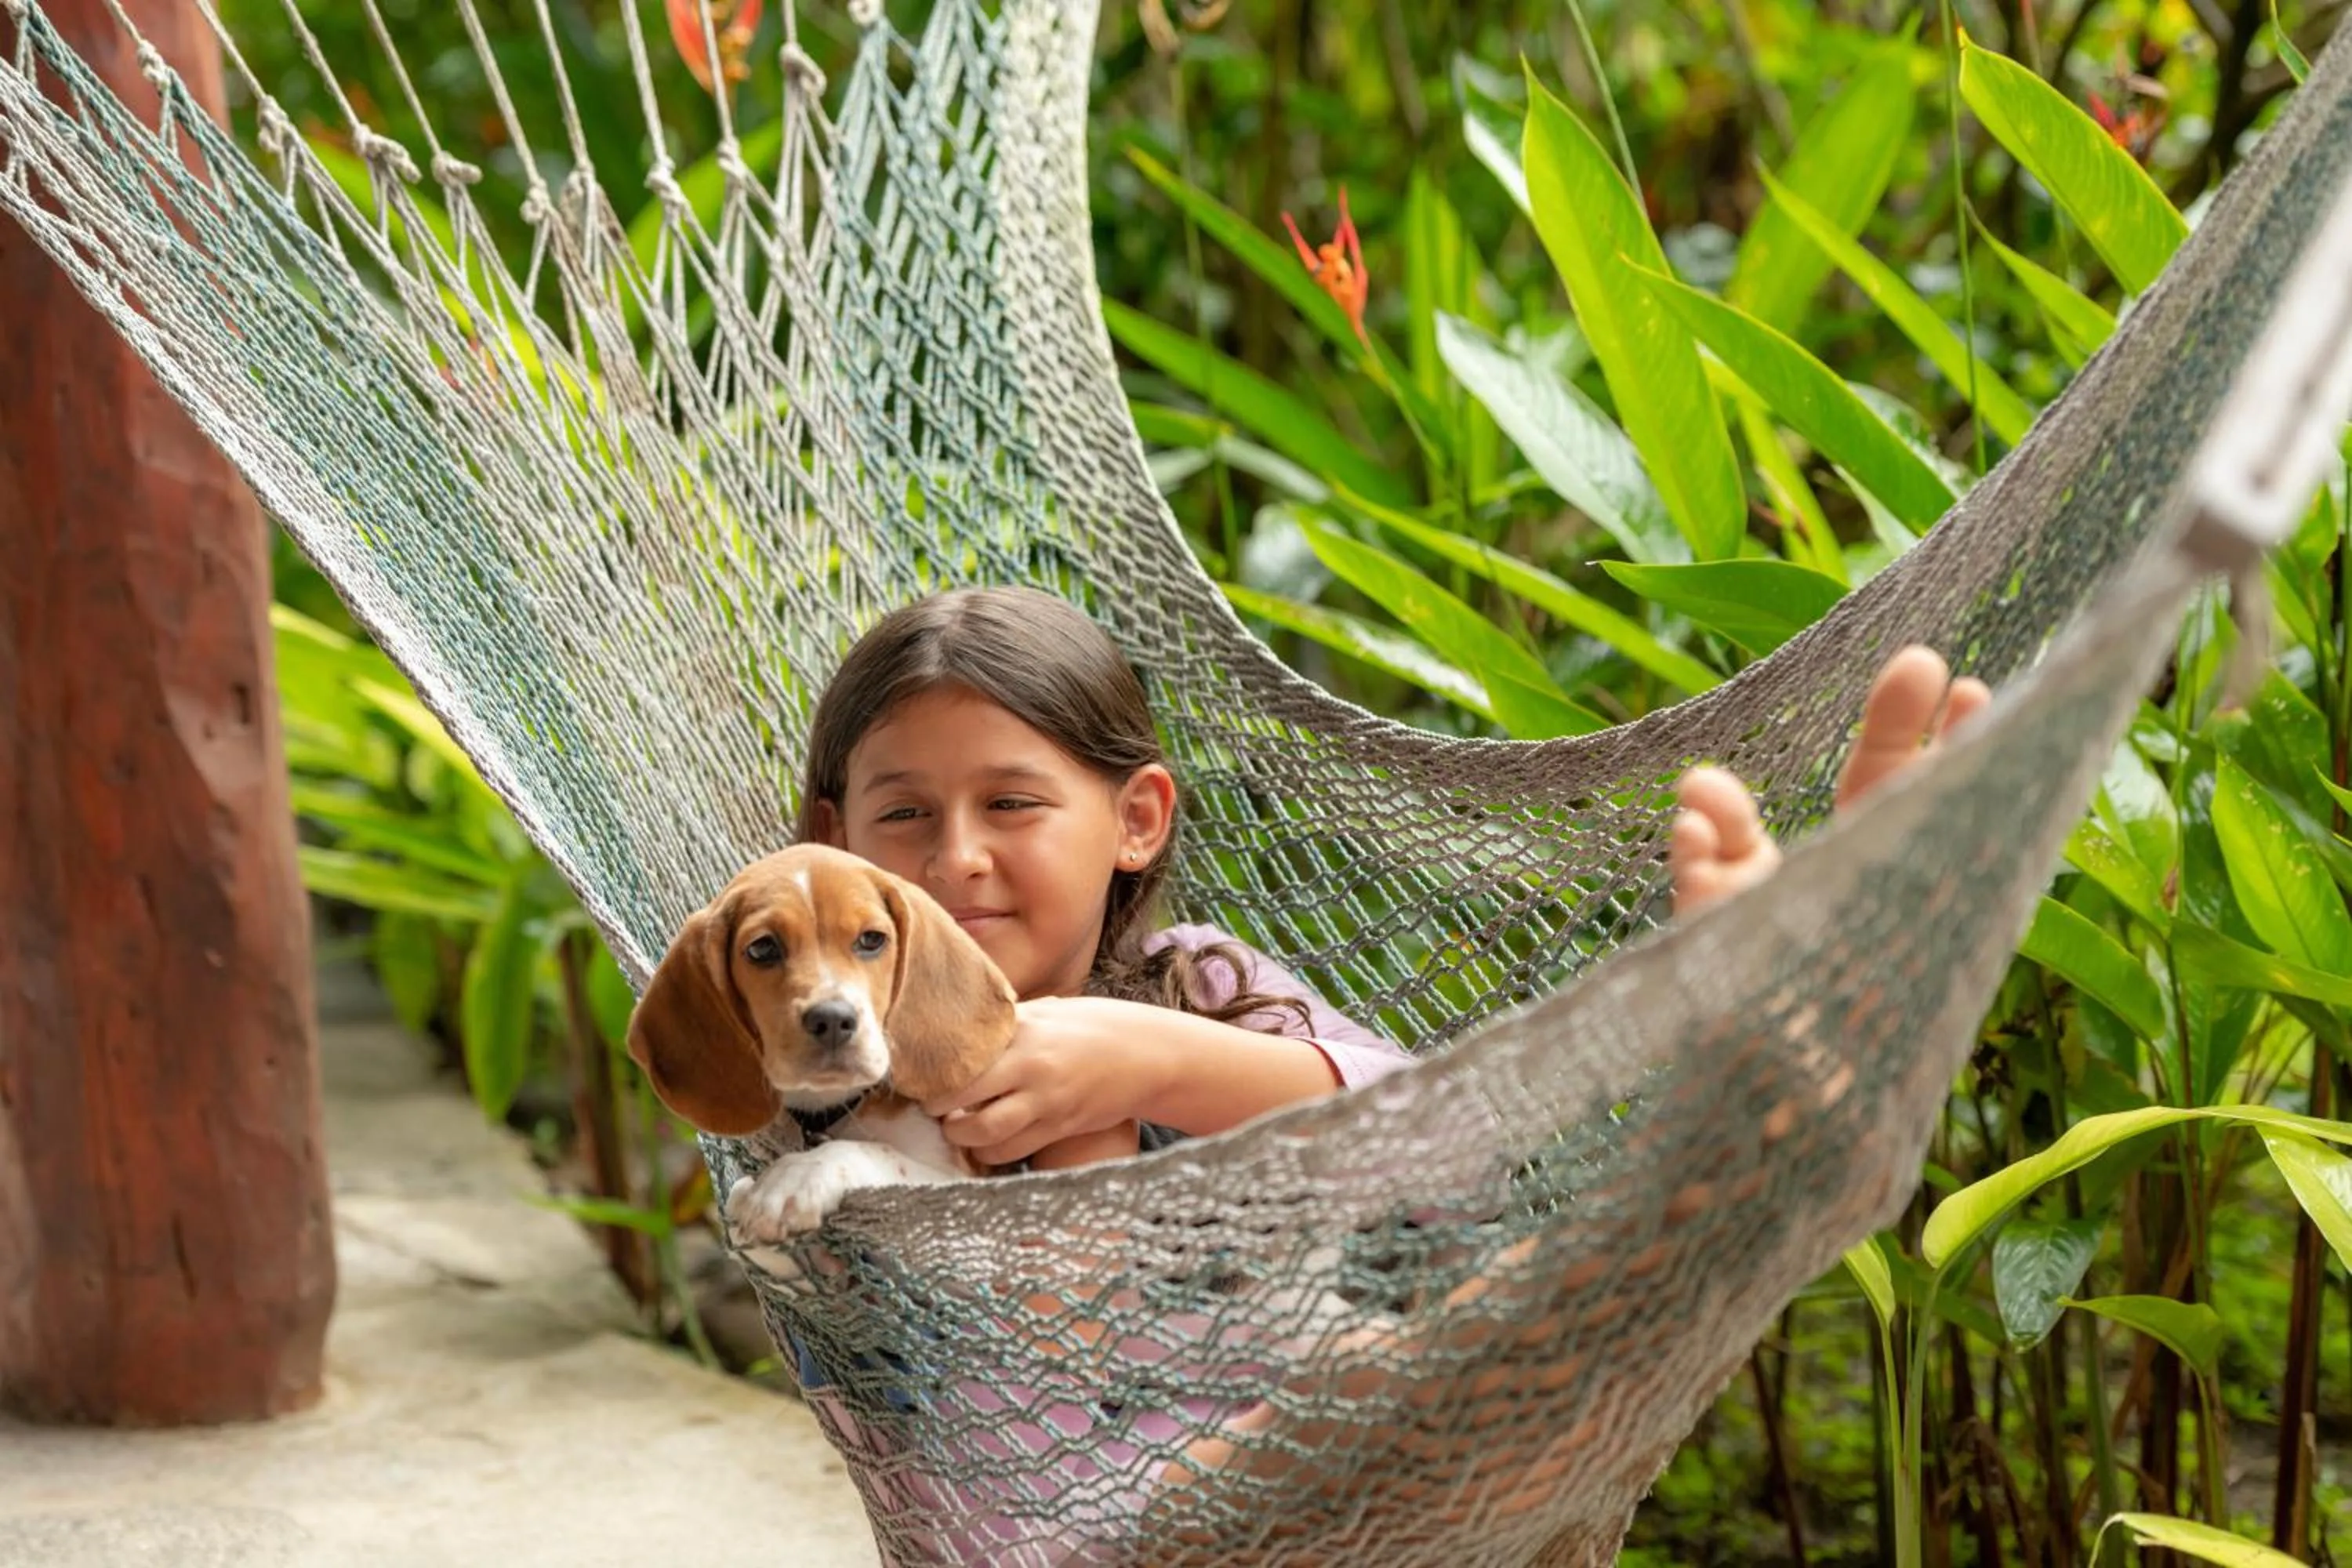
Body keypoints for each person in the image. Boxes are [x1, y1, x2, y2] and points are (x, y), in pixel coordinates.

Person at [782, 583, 1989, 1547]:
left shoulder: (1200, 985)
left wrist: (1158, 1062)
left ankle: (1745, 1121)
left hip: (1357, 1491)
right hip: (1092, 1527)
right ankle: (1726, 1160)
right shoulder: (831, 1072)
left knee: (1477, 1356)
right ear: (834, 842)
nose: (957, 859)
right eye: (905, 817)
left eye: (1011, 804)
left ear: (1136, 821)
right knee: (1406, 1377)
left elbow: (1455, 1158)